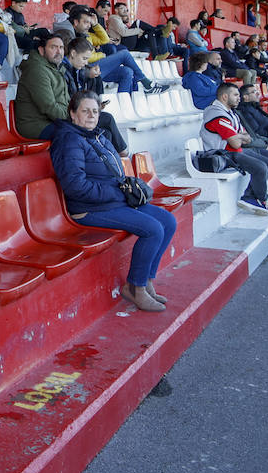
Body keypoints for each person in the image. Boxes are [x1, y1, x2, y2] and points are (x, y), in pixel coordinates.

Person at [48, 91, 176, 312]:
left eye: (95, 111)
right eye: (85, 111)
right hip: (88, 209)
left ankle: (146, 281)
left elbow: (113, 174)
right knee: (153, 229)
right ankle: (135, 288)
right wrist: (118, 193)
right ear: (73, 114)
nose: (91, 116)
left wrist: (129, 188)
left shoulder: (97, 136)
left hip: (112, 201)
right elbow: (75, 187)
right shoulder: (68, 140)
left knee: (168, 221)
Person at [15, 32, 126, 154]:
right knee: (100, 123)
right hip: (37, 125)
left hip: (54, 120)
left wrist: (78, 114)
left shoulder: (55, 68)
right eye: (53, 47)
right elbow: (49, 107)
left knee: (105, 131)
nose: (59, 51)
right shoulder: (36, 70)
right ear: (42, 50)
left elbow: (67, 101)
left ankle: (107, 166)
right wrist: (76, 118)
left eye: (61, 47)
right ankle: (119, 156)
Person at [201, 83, 268, 216]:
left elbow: (247, 137)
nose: (239, 98)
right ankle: (261, 199)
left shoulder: (230, 112)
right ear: (225, 96)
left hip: (232, 151)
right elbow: (236, 143)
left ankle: (249, 196)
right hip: (222, 154)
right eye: (236, 95)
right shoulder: (217, 114)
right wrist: (239, 137)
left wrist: (238, 137)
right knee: (260, 167)